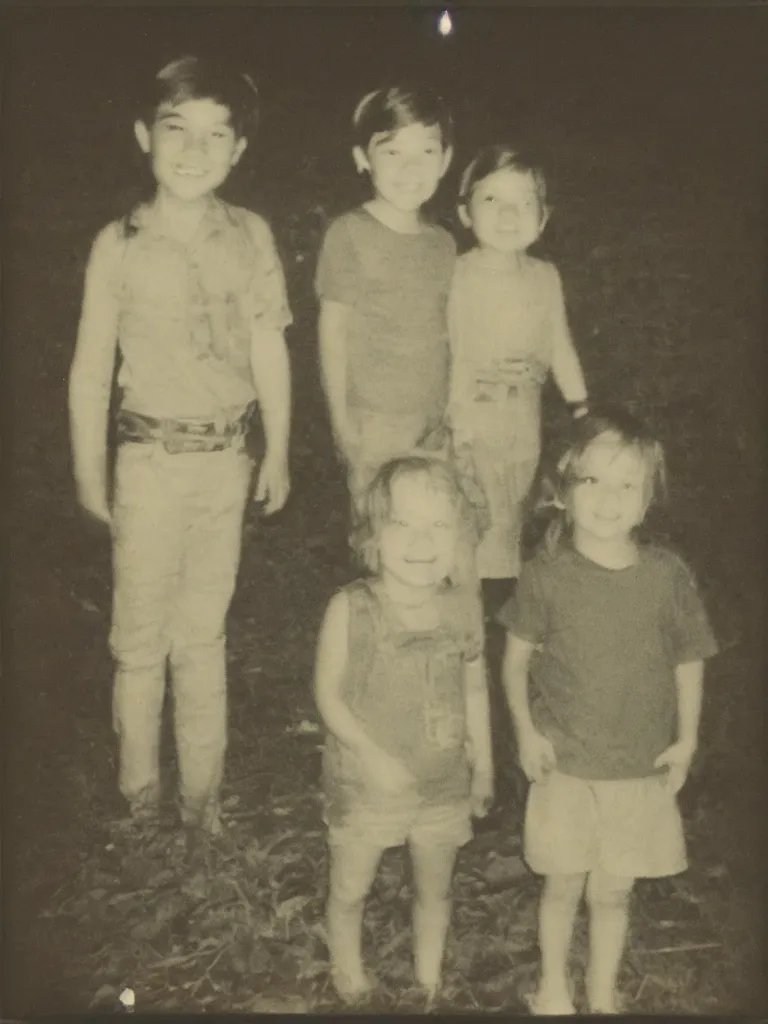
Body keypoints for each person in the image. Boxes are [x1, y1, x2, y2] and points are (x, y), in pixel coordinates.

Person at [68, 55, 292, 836]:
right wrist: (88, 474)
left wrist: (281, 449)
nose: (194, 151)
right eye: (176, 131)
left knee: (202, 636)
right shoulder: (118, 242)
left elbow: (270, 350)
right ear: (143, 137)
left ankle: (204, 807)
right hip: (148, 463)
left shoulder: (252, 236)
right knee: (139, 642)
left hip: (224, 462)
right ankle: (139, 805)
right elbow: (92, 366)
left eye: (215, 136)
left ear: (238, 152)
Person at [498, 406, 718, 1014]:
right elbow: (514, 663)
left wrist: (686, 740)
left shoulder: (667, 577)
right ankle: (552, 988)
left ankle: (601, 992)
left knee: (614, 893)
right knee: (563, 884)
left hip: (636, 768)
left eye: (628, 484)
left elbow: (689, 660)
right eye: (592, 480)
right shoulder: (546, 576)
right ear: (564, 492)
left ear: (648, 500)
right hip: (565, 764)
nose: (609, 498)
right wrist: (524, 732)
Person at [314, 455, 493, 1004]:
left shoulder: (461, 609)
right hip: (368, 783)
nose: (422, 541)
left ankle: (428, 979)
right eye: (402, 523)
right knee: (351, 885)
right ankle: (349, 971)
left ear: (461, 538)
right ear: (373, 535)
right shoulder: (351, 608)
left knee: (434, 890)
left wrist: (483, 765)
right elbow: (327, 696)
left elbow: (474, 692)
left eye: (439, 525)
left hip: (442, 782)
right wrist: (369, 755)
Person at [448, 145, 589, 618]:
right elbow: (440, 349)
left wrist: (581, 409)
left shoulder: (545, 277)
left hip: (521, 428)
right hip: (466, 425)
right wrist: (454, 411)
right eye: (492, 201)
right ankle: (458, 621)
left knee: (507, 526)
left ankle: (498, 631)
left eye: (524, 202)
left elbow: (559, 345)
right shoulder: (455, 274)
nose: (509, 214)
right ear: (465, 213)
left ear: (543, 218)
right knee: (467, 524)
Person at [315, 85, 456, 516]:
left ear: (446, 160)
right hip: (374, 422)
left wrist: (451, 410)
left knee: (432, 530)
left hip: (434, 422)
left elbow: (448, 332)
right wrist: (342, 423)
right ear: (363, 158)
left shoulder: (444, 243)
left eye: (427, 153)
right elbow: (333, 332)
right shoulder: (349, 233)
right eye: (392, 152)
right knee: (380, 535)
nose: (410, 168)